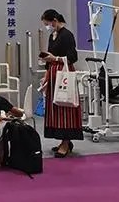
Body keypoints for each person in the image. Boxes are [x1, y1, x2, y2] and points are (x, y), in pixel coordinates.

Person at [40, 9, 83, 158]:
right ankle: (63, 141)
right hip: (53, 73)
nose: (47, 27)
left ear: (54, 21)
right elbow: (49, 58)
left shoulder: (67, 35)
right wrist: (46, 75)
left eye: (48, 24)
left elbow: (73, 57)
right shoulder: (52, 36)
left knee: (65, 105)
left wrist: (56, 59)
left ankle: (66, 142)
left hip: (64, 73)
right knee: (55, 107)